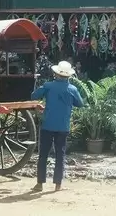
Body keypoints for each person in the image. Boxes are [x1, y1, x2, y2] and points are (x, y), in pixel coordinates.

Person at [31, 60, 84, 192]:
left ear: (56, 74)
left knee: (43, 154)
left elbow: (34, 95)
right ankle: (58, 184)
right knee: (60, 155)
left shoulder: (48, 86)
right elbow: (80, 103)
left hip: (48, 125)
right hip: (63, 126)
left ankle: (40, 184)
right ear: (69, 76)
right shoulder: (73, 89)